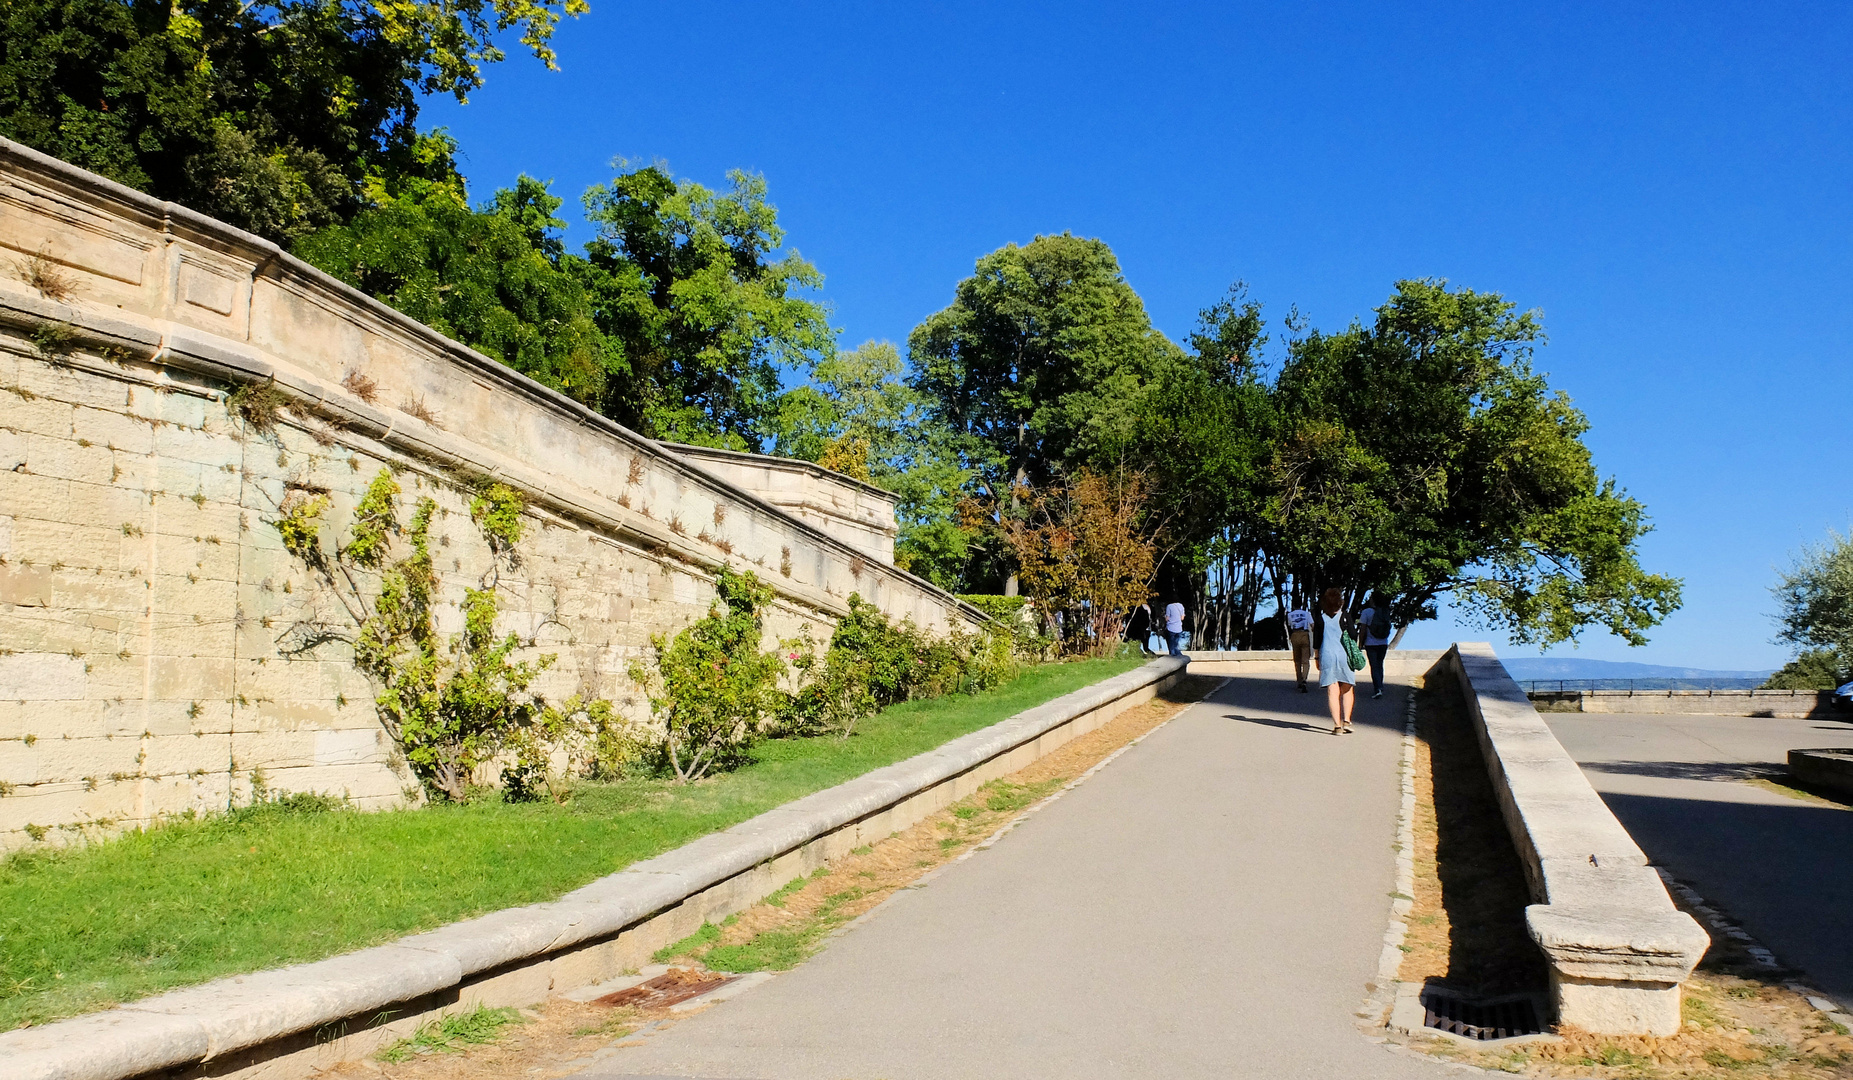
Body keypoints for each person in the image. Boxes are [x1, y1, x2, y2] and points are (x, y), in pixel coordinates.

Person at [1310, 586, 1357, 734]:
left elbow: (1317, 641)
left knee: (1332, 690)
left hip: (1327, 655)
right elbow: (1353, 635)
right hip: (1345, 655)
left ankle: (1337, 726)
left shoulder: (1321, 619)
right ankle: (1347, 721)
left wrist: (1316, 657)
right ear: (1340, 602)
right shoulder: (1345, 616)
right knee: (1348, 688)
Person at [1359, 591, 1394, 699]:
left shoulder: (1366, 612)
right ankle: (1380, 686)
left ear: (1372, 600)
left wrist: (1360, 643)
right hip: (1383, 642)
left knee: (1374, 666)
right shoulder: (1385, 611)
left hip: (1371, 643)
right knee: (1380, 664)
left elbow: (1363, 629)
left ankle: (1377, 688)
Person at [1286, 604, 1314, 692]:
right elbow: (1312, 625)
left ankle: (1299, 680)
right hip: (1304, 635)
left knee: (1297, 660)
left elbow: (1290, 625)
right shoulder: (1306, 614)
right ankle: (1305, 679)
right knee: (1305, 660)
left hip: (1295, 635)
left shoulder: (1290, 615)